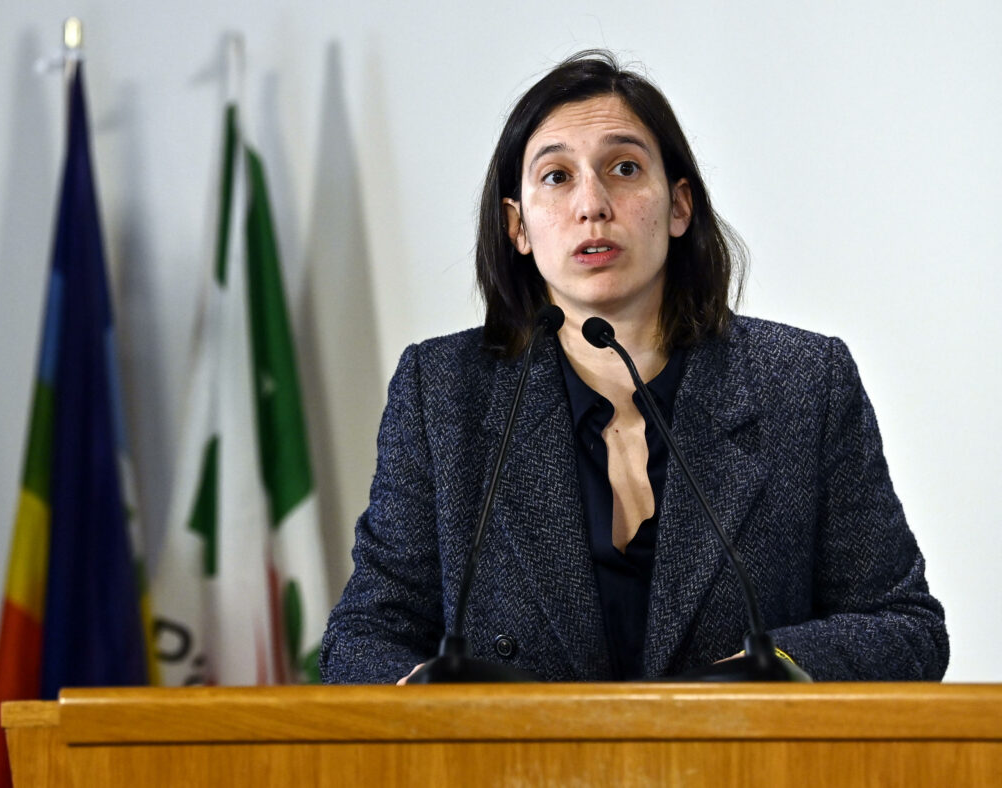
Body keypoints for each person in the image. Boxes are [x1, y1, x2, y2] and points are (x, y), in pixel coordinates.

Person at [319, 50, 948, 684]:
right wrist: (422, 693)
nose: (592, 204)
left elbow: (903, 625)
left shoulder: (803, 381)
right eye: (557, 176)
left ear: (679, 206)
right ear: (518, 227)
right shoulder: (443, 391)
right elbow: (363, 636)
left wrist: (779, 670)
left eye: (624, 168)